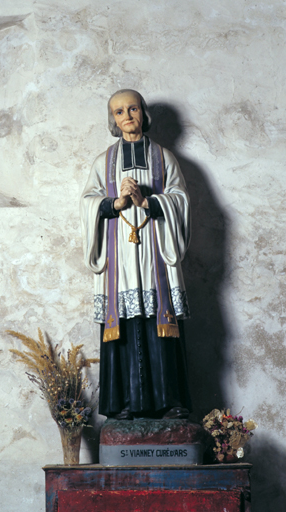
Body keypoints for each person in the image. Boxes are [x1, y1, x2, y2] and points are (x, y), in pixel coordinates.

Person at [80, 89, 192, 420]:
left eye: (132, 108)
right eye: (118, 112)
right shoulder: (103, 162)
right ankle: (123, 404)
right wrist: (116, 203)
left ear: (143, 112)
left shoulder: (164, 158)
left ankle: (170, 403)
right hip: (121, 258)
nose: (126, 116)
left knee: (160, 324)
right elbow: (88, 201)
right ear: (113, 120)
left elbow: (180, 199)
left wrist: (148, 201)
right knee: (125, 327)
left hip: (155, 253)